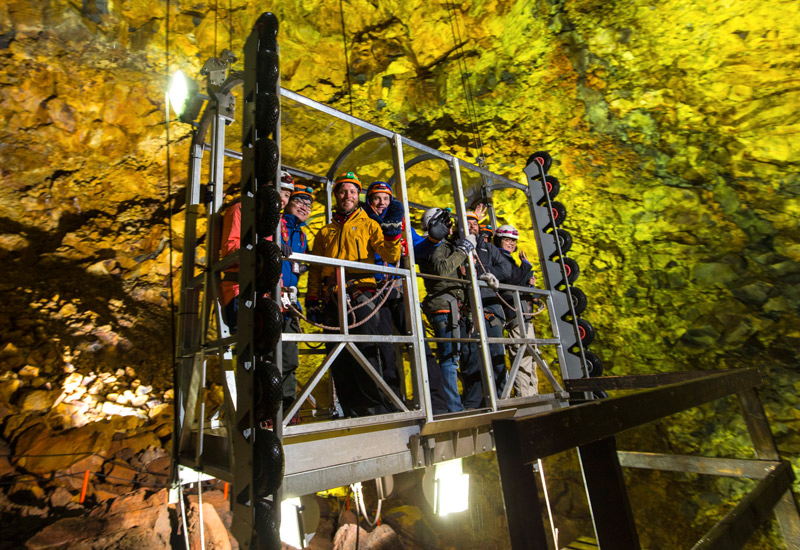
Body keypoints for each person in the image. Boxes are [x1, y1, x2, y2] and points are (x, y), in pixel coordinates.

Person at [305, 172, 403, 417]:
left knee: (367, 350)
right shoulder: (325, 232)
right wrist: (312, 299)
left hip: (361, 294)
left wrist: (392, 233)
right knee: (338, 356)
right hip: (332, 298)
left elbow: (391, 256)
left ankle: (376, 407)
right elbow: (315, 269)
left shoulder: (370, 224)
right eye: (342, 191)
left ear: (358, 195)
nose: (347, 196)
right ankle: (351, 409)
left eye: (352, 191)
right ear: (336, 195)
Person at [363, 181, 448, 415]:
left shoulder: (401, 223)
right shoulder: (364, 222)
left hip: (399, 288)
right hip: (376, 289)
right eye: (377, 198)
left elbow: (418, 249)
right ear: (369, 201)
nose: (382, 203)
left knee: (420, 344)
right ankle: (393, 404)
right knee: (384, 350)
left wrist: (433, 240)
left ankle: (437, 405)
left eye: (386, 198)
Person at [418, 207, 476, 412]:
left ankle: (452, 404)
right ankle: (453, 408)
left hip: (451, 306)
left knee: (452, 358)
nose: (450, 227)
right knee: (449, 359)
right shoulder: (435, 244)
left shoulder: (442, 244)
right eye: (447, 223)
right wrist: (463, 250)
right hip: (445, 307)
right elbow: (441, 270)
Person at [460, 206, 513, 408]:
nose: (472, 227)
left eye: (475, 223)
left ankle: (501, 397)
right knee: (470, 355)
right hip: (467, 307)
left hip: (489, 305)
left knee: (496, 352)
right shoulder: (457, 246)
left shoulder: (488, 248)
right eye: (468, 223)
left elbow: (506, 269)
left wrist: (483, 272)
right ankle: (473, 402)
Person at [276, 186, 314, 413]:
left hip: (289, 302)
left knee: (290, 359)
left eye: (308, 205)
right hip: (270, 300)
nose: (304, 207)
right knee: (270, 357)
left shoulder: (301, 235)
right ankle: (270, 409)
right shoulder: (274, 224)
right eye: (299, 201)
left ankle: (288, 408)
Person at [494, 224, 539, 397]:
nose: (511, 243)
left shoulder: (509, 260)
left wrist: (528, 283)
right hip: (515, 315)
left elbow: (517, 281)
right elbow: (512, 281)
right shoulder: (500, 259)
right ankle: (525, 397)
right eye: (507, 240)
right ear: (499, 240)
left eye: (513, 241)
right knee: (523, 357)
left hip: (523, 315)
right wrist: (525, 267)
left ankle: (533, 394)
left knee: (531, 357)